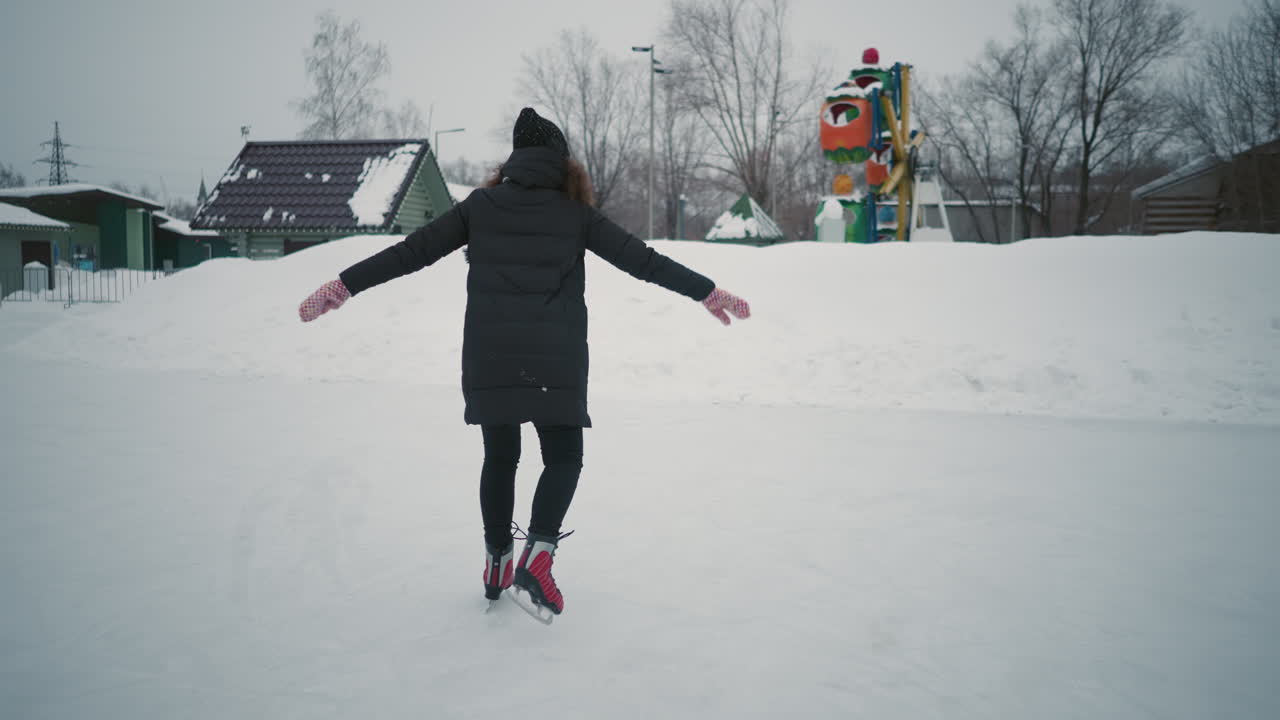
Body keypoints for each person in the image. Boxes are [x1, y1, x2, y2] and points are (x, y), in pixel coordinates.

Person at [298, 107, 750, 618]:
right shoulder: (575, 213)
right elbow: (643, 261)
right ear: (562, 162)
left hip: (491, 357)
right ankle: (538, 556)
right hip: (554, 361)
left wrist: (344, 285)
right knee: (563, 458)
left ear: (514, 160)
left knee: (500, 457)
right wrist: (707, 291)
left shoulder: (480, 206)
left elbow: (412, 251)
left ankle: (496, 563)